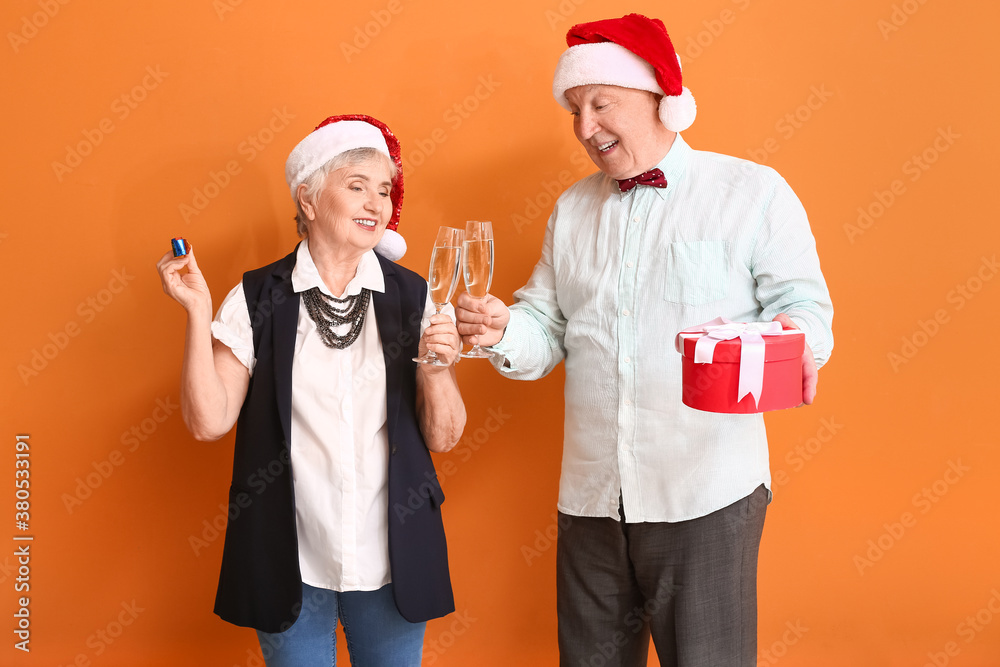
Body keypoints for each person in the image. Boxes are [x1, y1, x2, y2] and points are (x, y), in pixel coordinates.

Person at [456, 14, 834, 667]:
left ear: (663, 100)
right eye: (575, 109)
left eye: (603, 104)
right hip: (592, 497)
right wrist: (502, 328)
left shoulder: (751, 193)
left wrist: (767, 347)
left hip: (705, 491)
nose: (584, 127)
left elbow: (805, 314)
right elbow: (546, 327)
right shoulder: (572, 210)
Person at [156, 114, 464, 666]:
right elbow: (209, 421)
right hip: (287, 556)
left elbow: (443, 438)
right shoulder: (253, 297)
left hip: (391, 555)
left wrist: (438, 372)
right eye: (356, 186)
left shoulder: (415, 295)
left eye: (385, 191)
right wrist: (197, 312)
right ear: (309, 199)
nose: (377, 203)